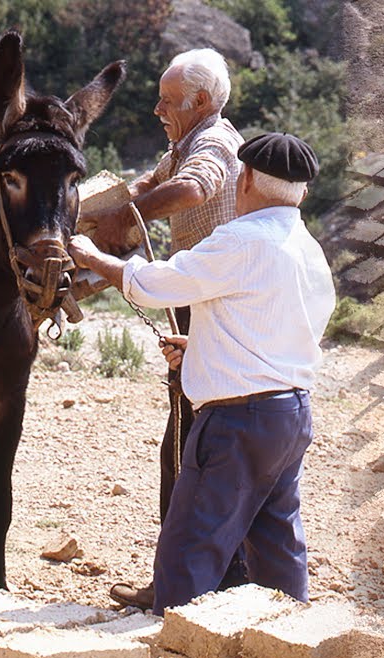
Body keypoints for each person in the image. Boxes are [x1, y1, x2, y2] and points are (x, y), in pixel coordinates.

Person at [69, 132, 336, 613]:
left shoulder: (240, 239)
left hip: (239, 422)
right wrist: (205, 345)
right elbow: (285, 327)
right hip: (291, 414)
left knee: (190, 548)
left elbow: (154, 284)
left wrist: (92, 257)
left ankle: (175, 655)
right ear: (304, 192)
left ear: (247, 179)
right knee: (277, 542)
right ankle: (289, 642)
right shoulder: (308, 248)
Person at [78, 48, 245, 605]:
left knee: (184, 448)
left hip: (210, 313)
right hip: (205, 309)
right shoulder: (185, 144)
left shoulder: (213, 143)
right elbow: (150, 183)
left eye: (168, 101)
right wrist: (105, 209)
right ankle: (219, 579)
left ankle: (178, 585)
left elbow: (194, 188)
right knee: (206, 441)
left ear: (200, 102)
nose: (156, 109)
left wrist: (127, 217)